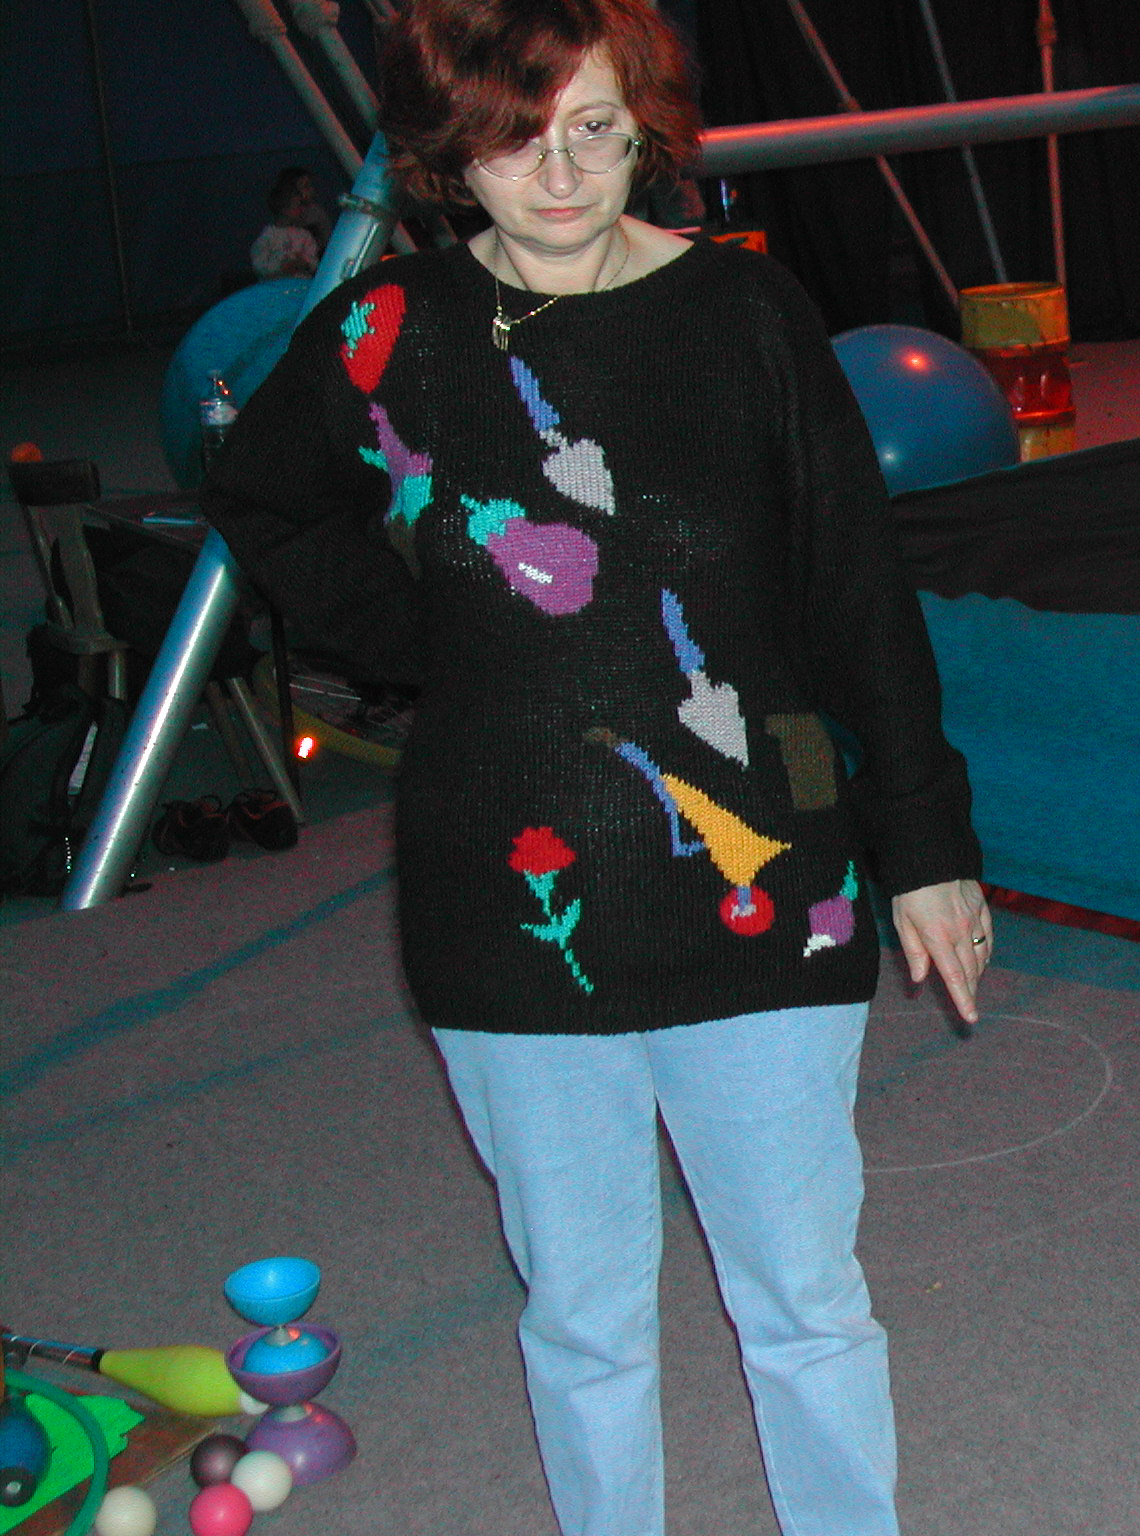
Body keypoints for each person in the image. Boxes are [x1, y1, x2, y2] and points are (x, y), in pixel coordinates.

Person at [200, 3, 991, 1534]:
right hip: (511, 904)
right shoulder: (393, 326)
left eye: (596, 132)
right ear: (451, 151)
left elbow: (857, 596)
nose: (560, 177)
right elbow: (263, 495)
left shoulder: (747, 314)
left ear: (648, 130)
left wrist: (928, 842)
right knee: (582, 1316)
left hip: (770, 886)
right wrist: (433, 632)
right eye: (516, 140)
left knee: (807, 1296)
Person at [249, 167, 328, 279]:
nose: (301, 210)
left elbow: (315, 261)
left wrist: (305, 263)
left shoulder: (306, 234)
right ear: (284, 208)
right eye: (297, 206)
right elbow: (259, 265)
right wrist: (281, 267)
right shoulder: (268, 236)